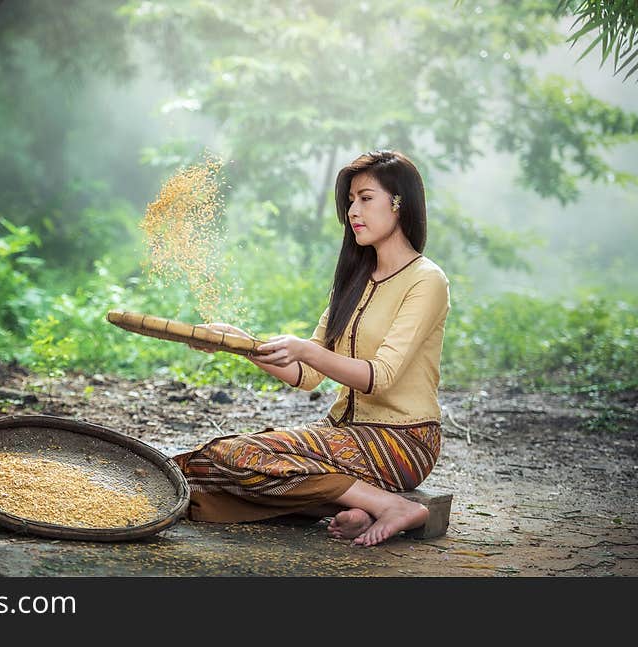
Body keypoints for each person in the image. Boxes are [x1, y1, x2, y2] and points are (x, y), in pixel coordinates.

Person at [175, 149, 450, 547]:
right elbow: (307, 376)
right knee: (199, 471)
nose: (353, 210)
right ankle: (359, 507)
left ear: (399, 203)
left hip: (401, 440)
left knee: (241, 457)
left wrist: (305, 349)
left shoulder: (427, 280)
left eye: (366, 198)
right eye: (350, 201)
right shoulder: (354, 279)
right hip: (342, 433)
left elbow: (380, 376)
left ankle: (394, 506)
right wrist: (236, 341)